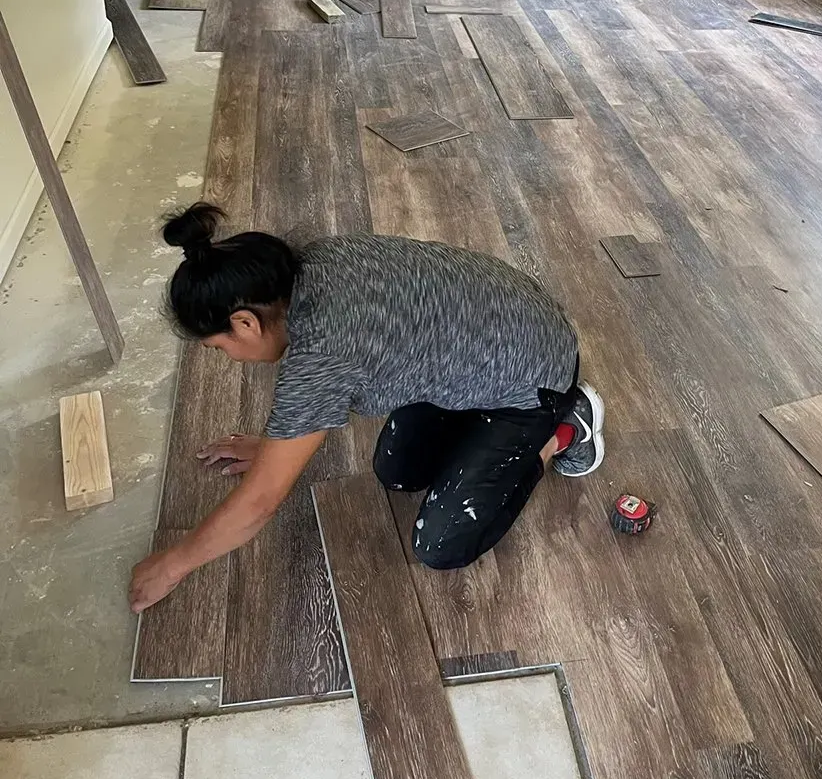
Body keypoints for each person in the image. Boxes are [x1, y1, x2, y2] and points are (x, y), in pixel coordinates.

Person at [128, 203, 605, 613]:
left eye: (218, 347)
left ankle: (565, 428)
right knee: (397, 471)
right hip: (504, 326)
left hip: (534, 375)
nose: (226, 358)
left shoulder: (322, 355)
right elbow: (353, 361)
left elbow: (257, 505)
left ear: (245, 322)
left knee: (440, 545)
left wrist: (172, 565)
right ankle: (493, 429)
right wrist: (279, 444)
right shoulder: (316, 261)